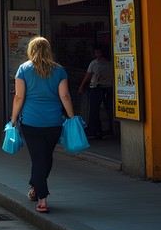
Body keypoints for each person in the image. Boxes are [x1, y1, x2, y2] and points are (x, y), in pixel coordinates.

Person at [9, 36, 76, 213]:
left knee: (39, 158)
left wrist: (13, 118)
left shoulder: (23, 69)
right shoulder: (59, 70)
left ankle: (42, 198)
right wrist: (71, 117)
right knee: (46, 157)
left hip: (30, 122)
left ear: (31, 50)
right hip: (54, 122)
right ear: (48, 50)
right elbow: (65, 96)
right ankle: (34, 186)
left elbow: (19, 96)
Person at [78, 46, 114, 140]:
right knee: (94, 111)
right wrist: (82, 86)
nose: (97, 55)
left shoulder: (110, 63)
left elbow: (88, 75)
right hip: (97, 88)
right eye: (96, 53)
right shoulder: (94, 63)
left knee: (109, 110)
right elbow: (88, 75)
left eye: (99, 52)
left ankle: (111, 130)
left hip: (106, 88)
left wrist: (82, 86)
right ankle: (96, 131)